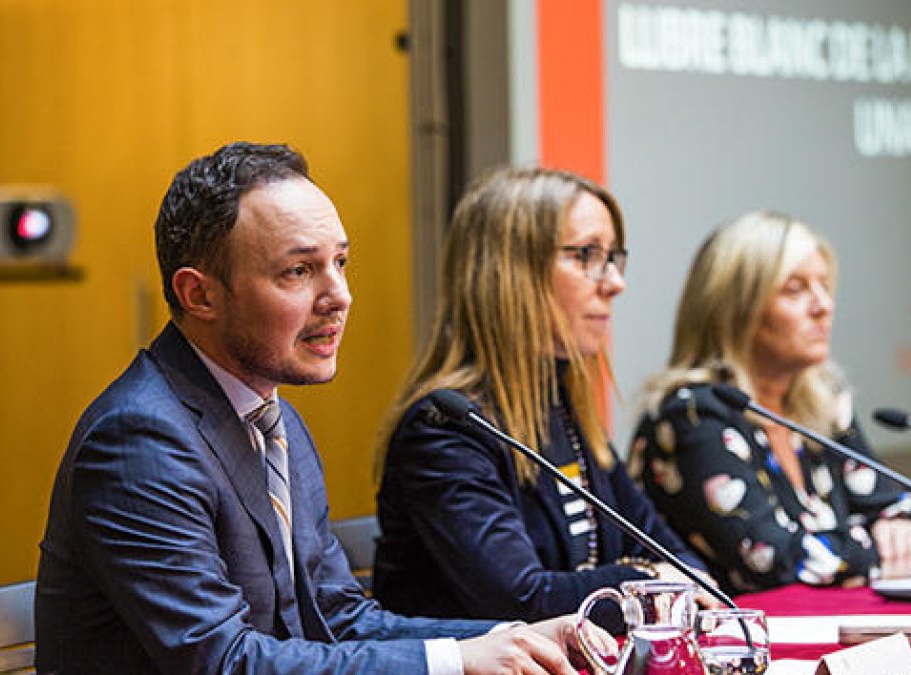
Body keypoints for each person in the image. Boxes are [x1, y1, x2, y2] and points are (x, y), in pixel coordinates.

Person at [35, 142, 586, 674]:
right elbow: (224, 663)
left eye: (340, 262)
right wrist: (453, 662)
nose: (339, 295)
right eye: (299, 271)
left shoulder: (276, 421)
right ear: (198, 295)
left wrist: (508, 638)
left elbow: (339, 618)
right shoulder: (140, 440)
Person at [373, 167, 715, 624]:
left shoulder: (562, 409)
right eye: (588, 255)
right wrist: (653, 579)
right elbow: (524, 603)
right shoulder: (445, 430)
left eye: (615, 257)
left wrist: (656, 574)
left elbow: (679, 561)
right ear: (510, 272)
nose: (615, 282)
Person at [631, 210, 911, 595]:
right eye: (795, 290)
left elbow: (901, 508)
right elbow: (775, 558)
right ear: (735, 310)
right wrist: (882, 545)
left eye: (825, 286)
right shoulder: (691, 414)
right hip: (738, 648)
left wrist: (905, 530)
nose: (823, 306)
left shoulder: (821, 405)